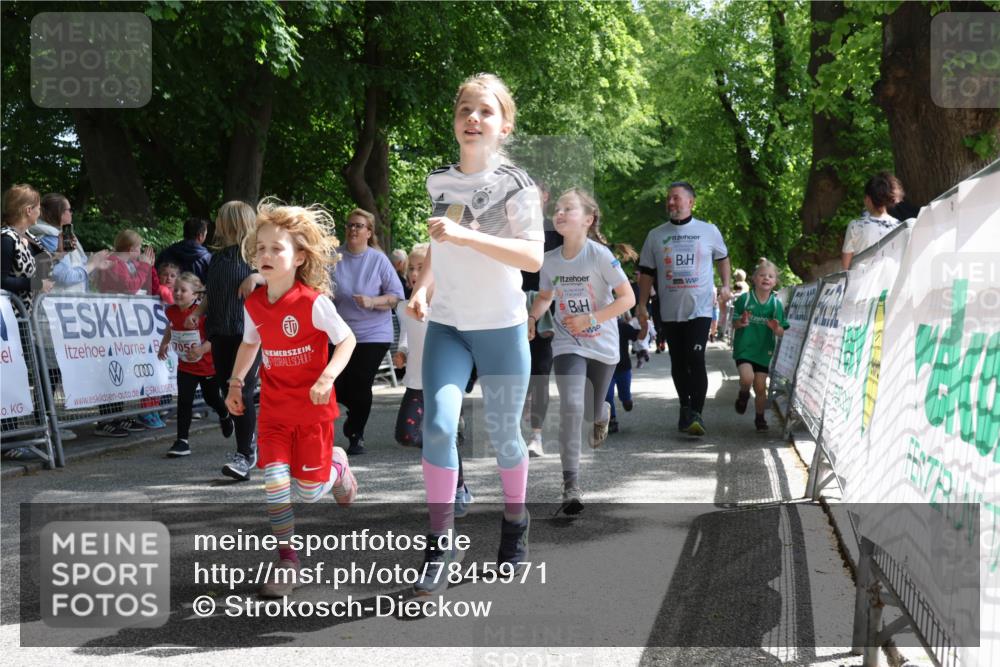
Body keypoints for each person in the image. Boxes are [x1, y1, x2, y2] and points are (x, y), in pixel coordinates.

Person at [406, 73, 543, 594]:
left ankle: (514, 522)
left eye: (485, 111)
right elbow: (443, 248)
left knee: (505, 437)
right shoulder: (438, 180)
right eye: (465, 109)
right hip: (449, 326)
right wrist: (423, 287)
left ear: (503, 125)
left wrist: (469, 233)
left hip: (502, 329)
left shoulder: (518, 186)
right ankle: (440, 542)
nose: (473, 118)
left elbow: (531, 257)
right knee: (438, 426)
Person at [225, 200, 358, 598]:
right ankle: (288, 560)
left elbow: (346, 340)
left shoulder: (313, 303)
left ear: (299, 257)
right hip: (275, 414)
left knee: (310, 492)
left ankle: (337, 465)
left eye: (276, 248)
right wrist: (235, 383)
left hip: (313, 412)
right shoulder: (253, 303)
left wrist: (327, 375)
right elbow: (251, 345)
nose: (265, 255)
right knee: (275, 483)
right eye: (260, 248)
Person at [528, 188, 634, 515]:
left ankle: (602, 411)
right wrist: (532, 317)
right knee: (573, 405)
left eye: (568, 209)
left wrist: (592, 318)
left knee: (589, 412)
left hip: (602, 343)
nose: (559, 213)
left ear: (588, 220)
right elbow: (546, 296)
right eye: (557, 209)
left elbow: (627, 299)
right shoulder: (549, 260)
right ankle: (570, 484)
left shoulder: (601, 256)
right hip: (567, 341)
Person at [637, 181, 731, 436]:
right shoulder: (656, 235)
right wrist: (642, 304)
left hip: (699, 308)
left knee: (696, 359)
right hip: (668, 309)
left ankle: (697, 413)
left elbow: (722, 258)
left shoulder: (708, 231)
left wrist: (725, 284)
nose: (671, 203)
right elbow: (646, 272)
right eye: (669, 199)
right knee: (678, 361)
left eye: (676, 198)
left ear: (691, 202)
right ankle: (685, 406)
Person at [393, 243, 475, 517]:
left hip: (444, 383)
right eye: (411, 269)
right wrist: (402, 352)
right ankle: (444, 444)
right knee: (406, 434)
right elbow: (406, 336)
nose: (415, 274)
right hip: (416, 382)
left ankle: (459, 488)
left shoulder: (448, 307)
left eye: (421, 268)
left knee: (445, 436)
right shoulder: (406, 306)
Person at [185, 201, 263, 481]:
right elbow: (211, 293)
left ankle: (245, 453)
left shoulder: (255, 253)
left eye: (221, 218)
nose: (216, 223)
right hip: (219, 332)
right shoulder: (216, 257)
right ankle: (249, 443)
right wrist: (197, 312)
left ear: (234, 222)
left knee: (240, 390)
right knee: (226, 391)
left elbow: (280, 277)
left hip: (248, 333)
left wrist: (257, 275)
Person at [331, 208, 405, 455]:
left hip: (373, 334)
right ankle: (355, 411)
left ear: (369, 232)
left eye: (359, 226)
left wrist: (373, 302)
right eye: (350, 225)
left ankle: (356, 433)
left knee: (361, 383)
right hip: (341, 334)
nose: (353, 229)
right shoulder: (334, 258)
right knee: (337, 383)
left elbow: (396, 297)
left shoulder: (378, 259)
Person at [157, 272, 233, 456]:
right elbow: (172, 326)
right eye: (175, 289)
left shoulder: (203, 314)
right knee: (184, 402)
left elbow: (215, 338)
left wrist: (201, 350)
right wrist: (164, 342)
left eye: (183, 290)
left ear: (196, 294)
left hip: (207, 366)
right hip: (186, 366)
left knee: (211, 398)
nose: (177, 293)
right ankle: (182, 441)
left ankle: (224, 414)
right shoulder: (172, 311)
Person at [521, 181, 562, 458]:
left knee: (540, 371)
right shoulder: (511, 228)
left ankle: (536, 436)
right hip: (511, 302)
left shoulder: (556, 232)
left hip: (546, 304)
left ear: (545, 197)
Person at [732, 258, 788, 432]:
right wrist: (741, 322)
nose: (766, 278)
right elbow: (734, 322)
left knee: (760, 387)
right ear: (754, 279)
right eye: (762, 275)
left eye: (771, 276)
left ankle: (760, 417)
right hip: (745, 349)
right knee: (747, 378)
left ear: (775, 282)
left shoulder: (775, 304)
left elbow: (781, 331)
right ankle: (743, 394)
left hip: (764, 351)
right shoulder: (745, 299)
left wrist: (775, 327)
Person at [31, 193, 110, 293]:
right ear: (59, 213)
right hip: (58, 304)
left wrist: (95, 264)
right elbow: (64, 276)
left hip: (69, 304)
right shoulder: (50, 238)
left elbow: (77, 268)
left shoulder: (64, 235)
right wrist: (92, 264)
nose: (71, 213)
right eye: (69, 210)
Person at [1, 184, 54, 313]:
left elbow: (43, 264)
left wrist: (60, 253)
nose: (39, 213)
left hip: (27, 315)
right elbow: (1, 281)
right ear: (29, 210)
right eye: (39, 209)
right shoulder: (6, 239)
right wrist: (37, 284)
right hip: (10, 317)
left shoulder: (30, 237)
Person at [841, 172, 904, 269]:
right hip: (889, 281)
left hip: (861, 281)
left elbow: (845, 267)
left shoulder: (856, 226)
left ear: (868, 199)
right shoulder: (899, 227)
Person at [606, 313, 639, 435]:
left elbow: (638, 335)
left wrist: (645, 325)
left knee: (626, 400)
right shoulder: (599, 327)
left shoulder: (623, 327)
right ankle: (612, 420)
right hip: (606, 369)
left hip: (623, 368)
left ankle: (627, 399)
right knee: (607, 396)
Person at [96, 229, 155, 294]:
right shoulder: (112, 263)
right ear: (132, 250)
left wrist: (149, 267)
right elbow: (130, 288)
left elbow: (146, 286)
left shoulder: (131, 263)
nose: (140, 252)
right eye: (139, 248)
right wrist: (144, 266)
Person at [156, 217, 212, 283]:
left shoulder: (167, 252)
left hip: (167, 292)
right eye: (206, 234)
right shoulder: (208, 259)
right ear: (200, 236)